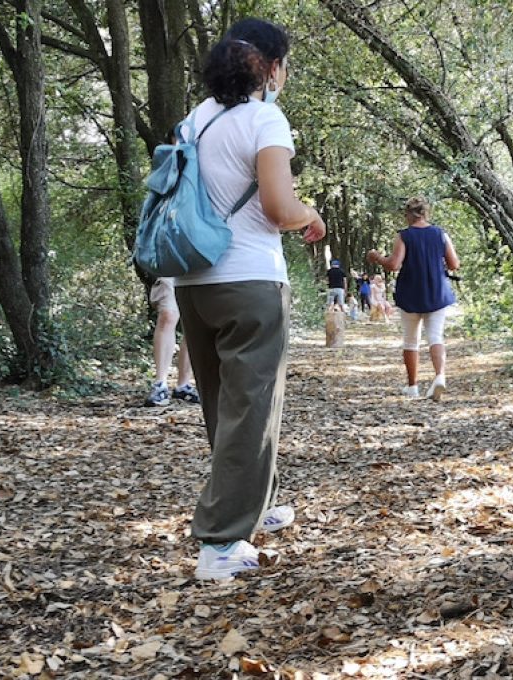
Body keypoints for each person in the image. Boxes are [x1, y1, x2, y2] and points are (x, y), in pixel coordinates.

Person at [173, 18, 326, 580]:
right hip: (250, 280)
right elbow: (280, 210)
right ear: (272, 66)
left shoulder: (193, 120)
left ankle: (255, 502)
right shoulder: (265, 118)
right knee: (252, 409)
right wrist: (312, 215)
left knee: (223, 406)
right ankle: (220, 543)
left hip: (193, 280)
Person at [367, 196, 459, 400]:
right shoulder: (441, 234)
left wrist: (377, 258)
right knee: (436, 336)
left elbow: (393, 265)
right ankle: (440, 376)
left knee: (411, 340)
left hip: (410, 292)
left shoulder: (404, 236)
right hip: (437, 292)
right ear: (426, 213)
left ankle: (412, 386)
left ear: (409, 214)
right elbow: (454, 264)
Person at [144, 277, 200, 406]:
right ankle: (160, 385)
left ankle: (183, 385)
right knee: (168, 315)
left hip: (202, 268)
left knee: (195, 322)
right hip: (171, 266)